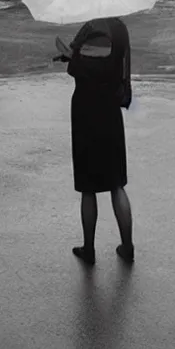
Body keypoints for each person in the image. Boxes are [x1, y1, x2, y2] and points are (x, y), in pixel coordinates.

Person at [56, 17, 135, 265]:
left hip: (85, 111)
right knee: (116, 184)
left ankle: (88, 249)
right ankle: (127, 245)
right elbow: (119, 65)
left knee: (88, 186)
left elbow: (81, 68)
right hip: (110, 109)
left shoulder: (90, 29)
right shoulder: (121, 29)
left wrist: (70, 57)